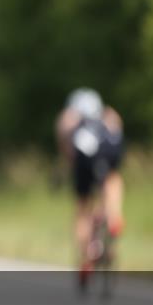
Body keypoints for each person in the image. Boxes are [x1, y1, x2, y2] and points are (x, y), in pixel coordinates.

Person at [55, 88, 125, 286]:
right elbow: (118, 137)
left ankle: (86, 257)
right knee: (113, 179)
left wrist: (65, 169)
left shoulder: (68, 118)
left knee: (83, 208)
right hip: (109, 154)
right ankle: (113, 215)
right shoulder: (109, 115)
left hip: (83, 162)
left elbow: (67, 151)